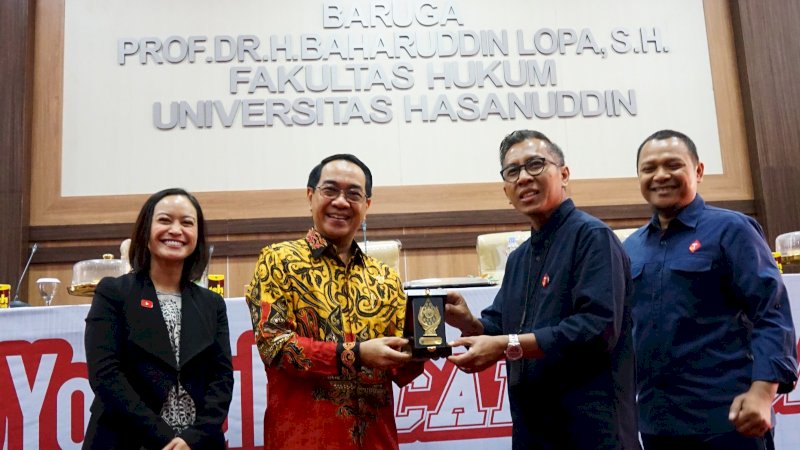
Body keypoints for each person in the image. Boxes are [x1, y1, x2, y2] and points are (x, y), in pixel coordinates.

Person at [445, 130, 640, 449]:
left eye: (535, 164)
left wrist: (506, 345)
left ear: (564, 175)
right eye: (513, 171)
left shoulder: (592, 238)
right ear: (506, 190)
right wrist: (469, 322)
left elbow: (597, 328)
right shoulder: (520, 258)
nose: (524, 177)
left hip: (591, 429)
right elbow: (501, 327)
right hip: (533, 430)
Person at [624, 129, 798, 450]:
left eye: (673, 165)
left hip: (728, 419)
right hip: (656, 422)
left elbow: (770, 313)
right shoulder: (631, 248)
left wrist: (762, 393)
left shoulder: (732, 229)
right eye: (649, 169)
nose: (661, 175)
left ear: (698, 171)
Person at [245, 154, 423, 450]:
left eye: (354, 194)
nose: (341, 202)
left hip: (376, 440)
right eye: (330, 190)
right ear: (310, 196)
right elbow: (274, 347)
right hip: (303, 440)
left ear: (367, 205)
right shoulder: (278, 261)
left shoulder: (386, 278)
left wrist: (421, 349)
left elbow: (399, 371)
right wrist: (357, 354)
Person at [84, 188, 234, 450]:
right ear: (146, 231)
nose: (176, 230)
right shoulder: (114, 292)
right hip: (128, 438)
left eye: (187, 223)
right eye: (165, 220)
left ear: (197, 236)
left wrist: (192, 439)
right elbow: (105, 374)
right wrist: (162, 436)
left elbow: (222, 380)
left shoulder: (212, 304)